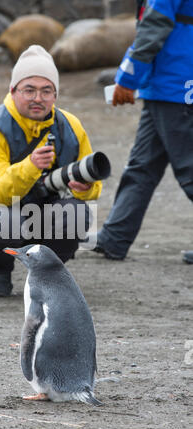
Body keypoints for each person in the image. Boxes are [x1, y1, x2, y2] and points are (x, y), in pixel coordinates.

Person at [0, 45, 102, 296]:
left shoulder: (70, 125)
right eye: (29, 90)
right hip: (0, 210)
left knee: (77, 212)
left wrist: (85, 188)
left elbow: (92, 182)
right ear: (13, 90)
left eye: (46, 91)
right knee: (6, 220)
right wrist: (30, 166)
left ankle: (49, 275)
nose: (38, 98)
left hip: (48, 207)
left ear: (55, 94)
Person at [93, 0, 193, 261]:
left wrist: (127, 79)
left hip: (175, 87)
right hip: (168, 87)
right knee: (142, 166)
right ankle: (114, 238)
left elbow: (154, 25)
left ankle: (115, 237)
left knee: (189, 168)